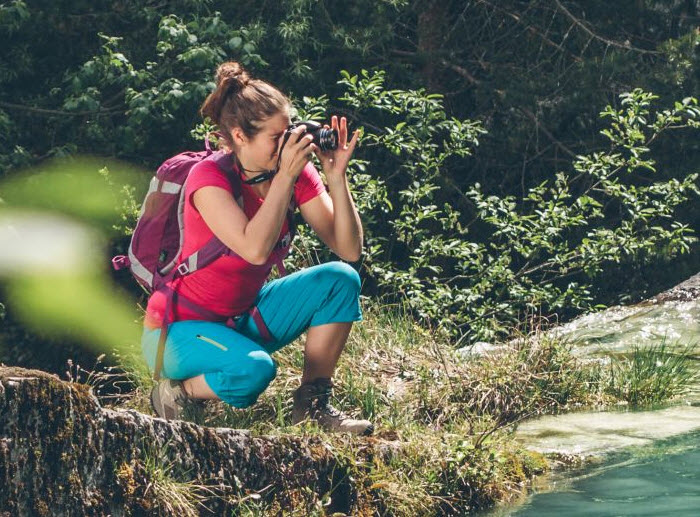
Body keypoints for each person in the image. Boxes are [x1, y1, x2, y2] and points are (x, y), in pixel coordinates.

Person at [140, 61, 373, 436]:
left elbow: (349, 249)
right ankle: (177, 393)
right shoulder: (210, 179)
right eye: (276, 137)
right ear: (240, 136)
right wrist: (285, 178)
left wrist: (335, 177)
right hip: (177, 334)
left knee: (340, 279)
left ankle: (313, 405)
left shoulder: (292, 175)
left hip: (240, 319)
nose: (288, 145)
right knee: (254, 370)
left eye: (290, 132)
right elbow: (255, 250)